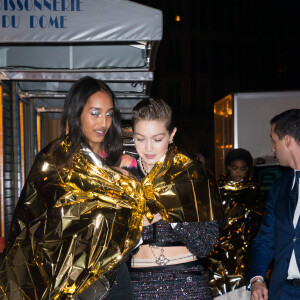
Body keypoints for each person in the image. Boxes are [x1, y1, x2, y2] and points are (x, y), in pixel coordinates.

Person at [0, 76, 143, 300]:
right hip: (69, 283)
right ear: (77, 113)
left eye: (108, 113)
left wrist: (128, 187)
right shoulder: (55, 161)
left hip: (114, 279)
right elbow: (32, 225)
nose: (103, 122)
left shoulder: (125, 161)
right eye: (95, 113)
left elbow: (134, 231)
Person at [128, 98, 224, 299]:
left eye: (157, 139)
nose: (148, 148)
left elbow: (205, 246)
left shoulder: (192, 175)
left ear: (172, 135)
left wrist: (168, 213)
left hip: (186, 283)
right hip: (137, 286)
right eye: (140, 138)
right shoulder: (125, 177)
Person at [249, 109, 300, 300]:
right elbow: (265, 238)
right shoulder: (279, 186)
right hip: (283, 291)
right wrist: (257, 279)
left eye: (274, 141)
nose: (272, 149)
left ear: (287, 140)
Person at [208, 148, 264, 299]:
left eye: (243, 169)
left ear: (248, 169)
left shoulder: (253, 189)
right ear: (227, 167)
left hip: (245, 248)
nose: (238, 172)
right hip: (219, 248)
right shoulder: (216, 188)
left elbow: (260, 219)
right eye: (234, 168)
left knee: (243, 288)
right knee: (219, 286)